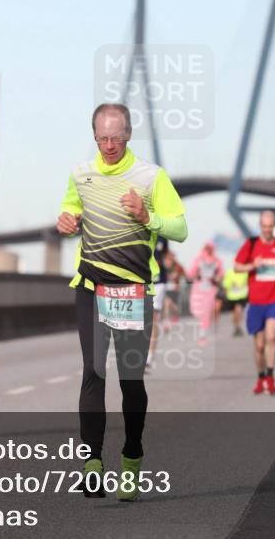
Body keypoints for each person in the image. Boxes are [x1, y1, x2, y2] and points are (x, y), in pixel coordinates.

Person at [56, 103, 187, 501]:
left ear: (129, 133)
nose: (109, 145)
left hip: (132, 292)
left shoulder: (151, 177)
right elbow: (70, 213)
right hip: (91, 288)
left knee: (131, 382)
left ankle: (132, 456)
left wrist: (148, 216)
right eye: (102, 137)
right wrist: (65, 223)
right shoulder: (81, 175)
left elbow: (180, 228)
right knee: (93, 373)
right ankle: (91, 464)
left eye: (116, 136)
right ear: (93, 135)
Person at [234, 210, 275, 396]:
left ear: (274, 226)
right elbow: (237, 267)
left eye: (270, 227)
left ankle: (270, 375)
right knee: (259, 345)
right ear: (260, 226)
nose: (267, 230)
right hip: (255, 302)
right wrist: (253, 265)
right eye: (264, 227)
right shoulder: (251, 244)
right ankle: (260, 376)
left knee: (271, 337)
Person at [188, 242, 223, 346]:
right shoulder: (198, 259)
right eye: (207, 248)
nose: (208, 250)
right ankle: (204, 328)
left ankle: (202, 335)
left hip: (210, 290)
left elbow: (221, 275)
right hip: (198, 289)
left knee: (206, 312)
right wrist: (197, 274)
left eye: (210, 248)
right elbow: (191, 274)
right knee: (196, 311)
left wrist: (216, 278)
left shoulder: (217, 261)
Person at [146, 237, 169, 371]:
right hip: (139, 280)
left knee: (153, 320)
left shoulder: (162, 235)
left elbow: (165, 255)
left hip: (159, 283)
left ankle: (149, 357)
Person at [221, 267, 249, 336]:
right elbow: (225, 285)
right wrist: (224, 296)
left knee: (239, 310)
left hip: (242, 295)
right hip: (231, 296)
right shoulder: (229, 273)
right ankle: (236, 326)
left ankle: (238, 326)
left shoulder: (245, 273)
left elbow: (248, 282)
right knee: (234, 313)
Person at [162, 250, 185, 331]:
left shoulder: (177, 266)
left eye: (171, 258)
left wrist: (177, 277)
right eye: (168, 258)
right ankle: (166, 324)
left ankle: (176, 313)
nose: (169, 260)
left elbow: (183, 274)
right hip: (166, 289)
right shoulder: (163, 267)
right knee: (167, 305)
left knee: (172, 306)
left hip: (175, 289)